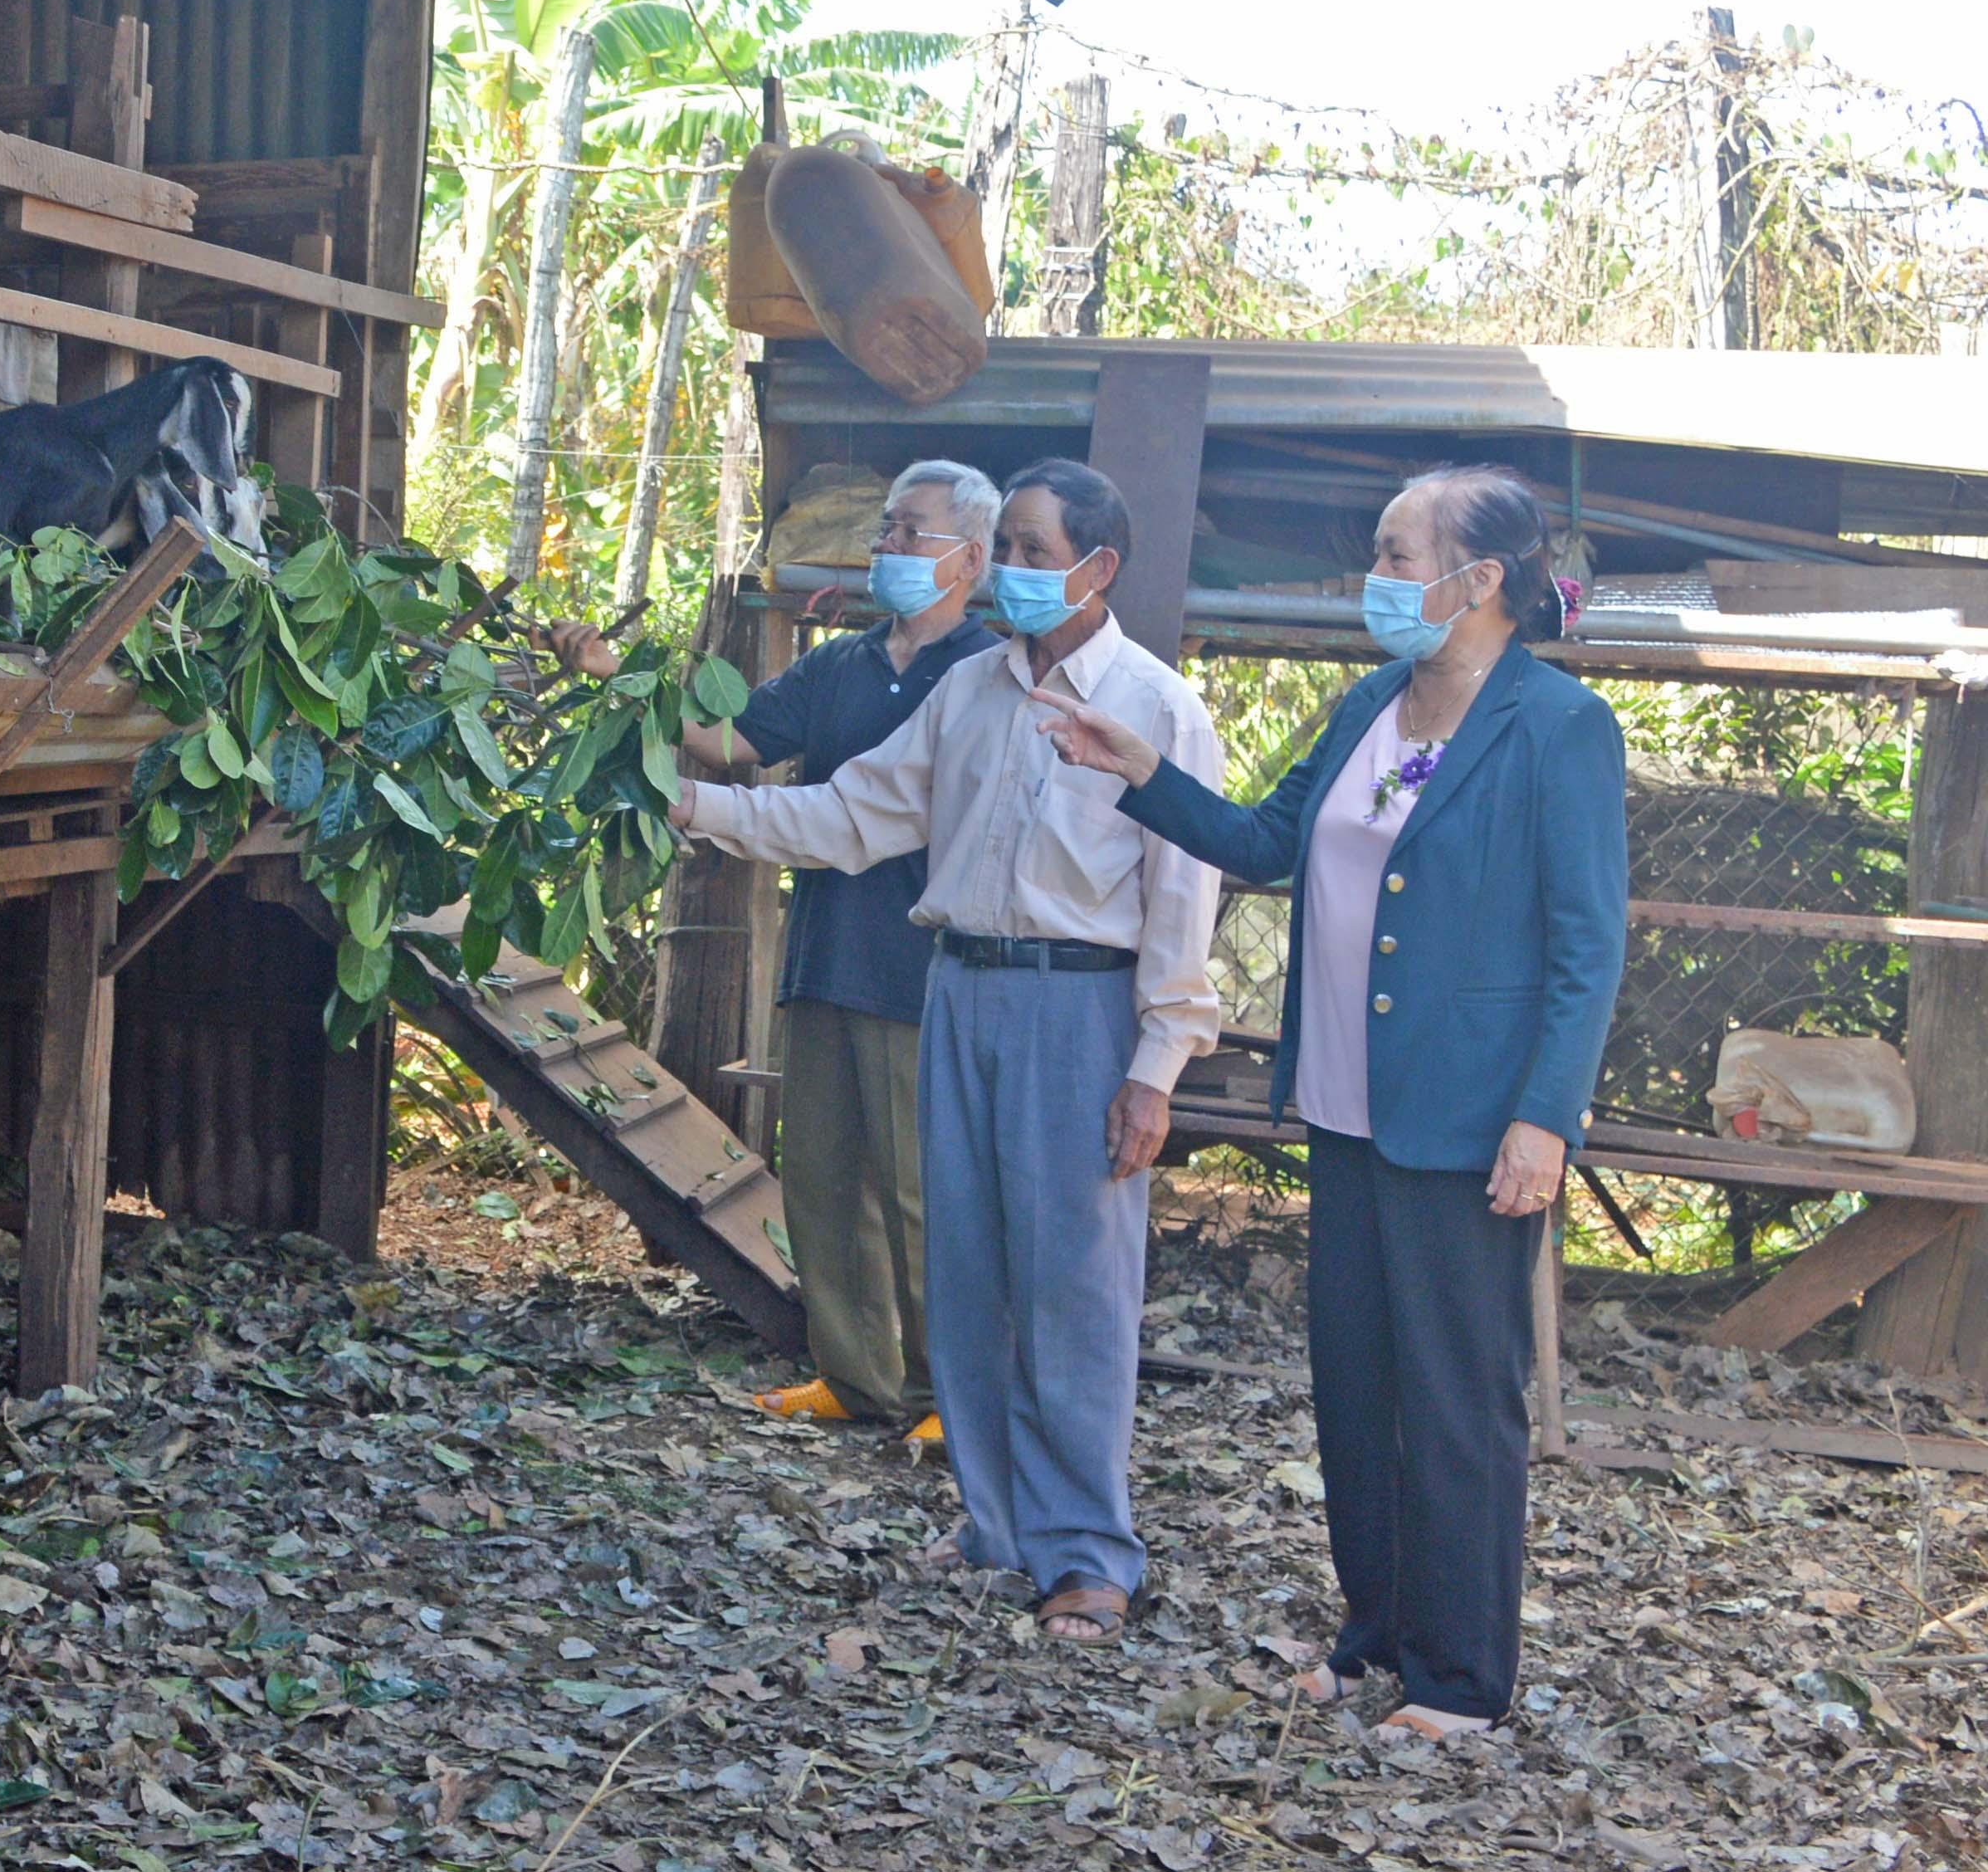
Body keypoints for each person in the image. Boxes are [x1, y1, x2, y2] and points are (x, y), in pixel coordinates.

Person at [1033, 464, 1626, 1738]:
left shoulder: (1557, 724)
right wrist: (1138, 766)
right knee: (1356, 1385)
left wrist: (1548, 1116)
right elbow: (1264, 840)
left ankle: (1461, 1678)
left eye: (1397, 552)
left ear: (1479, 580)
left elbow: (1587, 945)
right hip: (1347, 1103)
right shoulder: (1371, 700)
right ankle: (1375, 1637)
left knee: (1460, 1400)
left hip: (1471, 1117)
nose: (1377, 574)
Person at [664, 460, 1224, 1643]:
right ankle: (999, 1521)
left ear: (1098, 566)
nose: (1008, 570)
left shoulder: (1157, 707)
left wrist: (1157, 1066)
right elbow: (852, 814)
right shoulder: (970, 694)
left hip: (1083, 1008)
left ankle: (1088, 1552)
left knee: (1071, 1284)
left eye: (1029, 549)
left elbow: (1183, 901)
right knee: (967, 1277)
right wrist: (703, 810)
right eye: (1005, 546)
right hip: (958, 987)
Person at [550, 460, 1000, 1441]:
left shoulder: (989, 674)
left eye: (907, 531)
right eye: (884, 526)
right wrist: (614, 680)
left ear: (968, 558)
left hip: (923, 968)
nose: (885, 545)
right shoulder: (837, 666)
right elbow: (722, 741)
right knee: (824, 1180)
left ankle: (942, 1399)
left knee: (918, 1193)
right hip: (825, 948)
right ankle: (856, 1376)